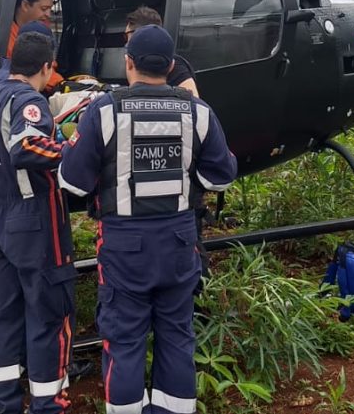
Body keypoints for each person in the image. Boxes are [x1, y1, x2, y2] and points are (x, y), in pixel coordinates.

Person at [58, 25, 237, 414]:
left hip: (124, 247)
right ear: (172, 66)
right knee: (177, 335)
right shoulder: (198, 112)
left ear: (128, 63)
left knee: (123, 340)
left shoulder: (104, 111)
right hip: (178, 242)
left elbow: (72, 180)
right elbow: (220, 175)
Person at [0, 31, 76, 414]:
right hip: (34, 219)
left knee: (6, 317)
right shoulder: (29, 100)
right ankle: (47, 403)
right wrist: (72, 149)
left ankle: (5, 404)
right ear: (47, 67)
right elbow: (26, 145)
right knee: (49, 311)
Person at [124, 6, 199, 97]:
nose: (126, 41)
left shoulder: (176, 66)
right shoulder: (132, 59)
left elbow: (191, 101)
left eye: (126, 35)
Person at [8, 0, 63, 92]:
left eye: (50, 9)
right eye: (43, 9)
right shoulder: (6, 37)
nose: (48, 14)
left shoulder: (42, 29)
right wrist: (63, 85)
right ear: (25, 5)